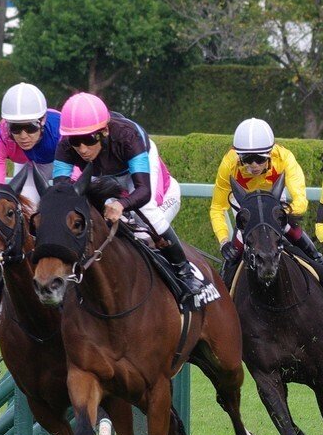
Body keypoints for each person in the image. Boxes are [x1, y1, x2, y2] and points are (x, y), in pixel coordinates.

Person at [53, 91, 218, 308]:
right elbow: (60, 192)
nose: (82, 149)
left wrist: (121, 204)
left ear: (104, 131)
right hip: (105, 176)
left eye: (89, 140)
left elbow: (143, 190)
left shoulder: (128, 137)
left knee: (145, 214)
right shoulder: (66, 145)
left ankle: (183, 271)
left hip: (137, 175)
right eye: (76, 141)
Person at [209, 117, 323, 293]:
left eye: (260, 159)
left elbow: (300, 202)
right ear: (238, 156)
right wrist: (224, 242)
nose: (254, 165)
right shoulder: (229, 163)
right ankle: (225, 284)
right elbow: (217, 208)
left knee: (288, 228)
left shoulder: (284, 158)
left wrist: (280, 215)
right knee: (236, 246)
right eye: (247, 159)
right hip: (245, 202)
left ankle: (318, 259)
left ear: (270, 153)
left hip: (273, 199)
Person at [0, 82, 63, 322]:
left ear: (42, 121)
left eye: (30, 127)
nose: (23, 136)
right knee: (12, 219)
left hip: (63, 164)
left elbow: (71, 176)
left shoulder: (61, 130)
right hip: (28, 166)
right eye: (16, 128)